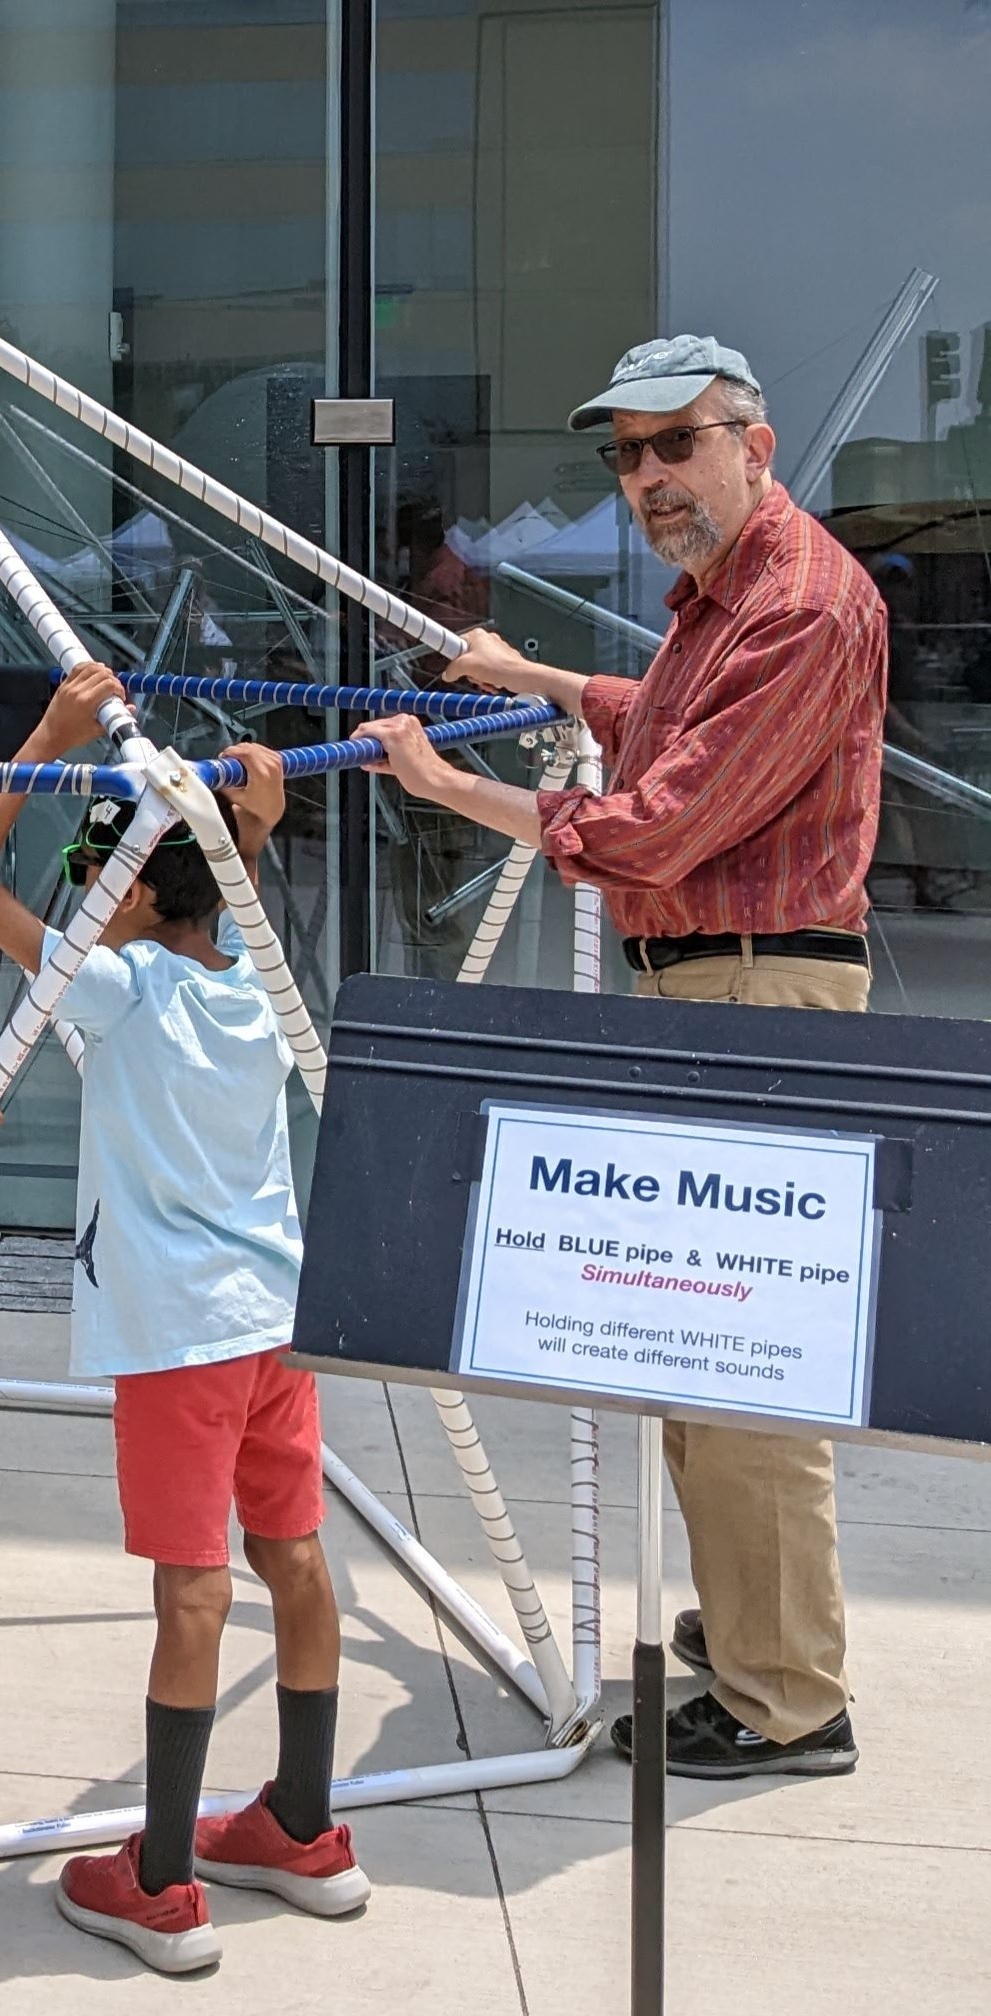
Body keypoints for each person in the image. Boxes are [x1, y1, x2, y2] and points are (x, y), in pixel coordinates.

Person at [365, 335, 884, 1780]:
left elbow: (655, 825)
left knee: (742, 1370)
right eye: (627, 455)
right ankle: (755, 1640)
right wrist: (527, 672)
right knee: (700, 1357)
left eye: (676, 445)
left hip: (754, 997)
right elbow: (654, 720)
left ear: (752, 443)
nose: (648, 477)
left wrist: (453, 784)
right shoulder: (728, 600)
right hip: (712, 989)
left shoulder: (797, 607)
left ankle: (792, 1700)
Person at [0, 666, 365, 1976]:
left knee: (193, 1590)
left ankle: (166, 1881)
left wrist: (49, 739)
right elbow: (210, 904)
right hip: (271, 1322)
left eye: (99, 877)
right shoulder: (250, 984)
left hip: (180, 1336)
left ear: (127, 891)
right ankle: (300, 1825)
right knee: (293, 1557)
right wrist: (253, 832)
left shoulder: (116, 991)